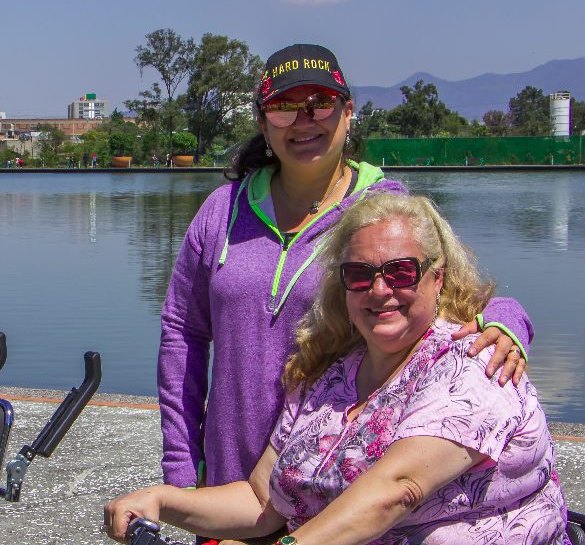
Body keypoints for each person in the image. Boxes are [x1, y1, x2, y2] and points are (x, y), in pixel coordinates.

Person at [105, 193, 583, 545]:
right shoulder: (331, 375)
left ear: (437, 277)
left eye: (401, 271)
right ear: (343, 285)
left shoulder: (473, 365)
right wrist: (163, 500)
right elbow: (262, 502)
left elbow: (397, 489)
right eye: (360, 274)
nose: (380, 290)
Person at [159, 43, 533, 492]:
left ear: (347, 111)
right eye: (284, 108)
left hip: (339, 482)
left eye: (321, 104)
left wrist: (508, 323)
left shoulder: (384, 206)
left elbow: (457, 293)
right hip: (228, 481)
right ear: (262, 121)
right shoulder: (224, 211)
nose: (304, 120)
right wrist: (182, 464)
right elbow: (183, 332)